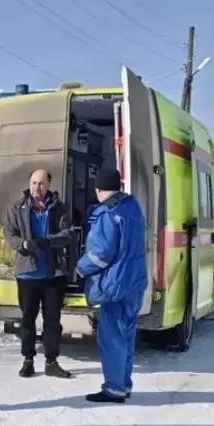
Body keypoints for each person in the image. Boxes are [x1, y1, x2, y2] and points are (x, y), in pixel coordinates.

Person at [76, 168, 147, 403]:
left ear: (98, 189)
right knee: (126, 335)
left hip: (115, 286)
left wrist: (81, 267)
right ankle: (124, 384)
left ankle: (114, 388)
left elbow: (101, 254)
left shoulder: (108, 213)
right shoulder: (132, 208)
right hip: (134, 283)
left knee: (112, 337)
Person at [3, 169, 73, 378]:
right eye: (34, 183)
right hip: (27, 274)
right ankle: (28, 360)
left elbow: (68, 234)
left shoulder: (59, 208)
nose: (37, 188)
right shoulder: (17, 208)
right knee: (27, 320)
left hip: (53, 275)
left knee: (52, 321)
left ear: (48, 185)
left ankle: (52, 361)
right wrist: (24, 244)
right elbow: (9, 234)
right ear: (29, 183)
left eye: (41, 184)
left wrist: (47, 241)